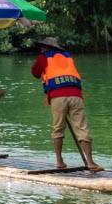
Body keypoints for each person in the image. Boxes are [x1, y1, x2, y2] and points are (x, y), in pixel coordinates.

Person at [31, 37, 102, 172]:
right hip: (76, 95)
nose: (41, 49)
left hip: (58, 96)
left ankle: (59, 162)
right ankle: (91, 162)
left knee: (58, 128)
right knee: (81, 128)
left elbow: (35, 73)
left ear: (46, 48)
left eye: (42, 47)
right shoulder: (68, 56)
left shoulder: (43, 57)